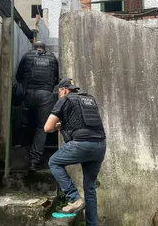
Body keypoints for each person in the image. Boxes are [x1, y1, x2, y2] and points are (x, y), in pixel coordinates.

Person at [44, 78, 106, 226]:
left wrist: (57, 126)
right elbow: (84, 122)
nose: (60, 95)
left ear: (64, 90)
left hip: (81, 145)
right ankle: (92, 224)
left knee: (54, 162)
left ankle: (74, 198)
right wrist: (63, 124)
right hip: (100, 145)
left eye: (60, 92)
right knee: (90, 188)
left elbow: (47, 128)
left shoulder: (64, 100)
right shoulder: (89, 99)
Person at [16, 41, 59, 172]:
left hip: (28, 94)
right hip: (46, 95)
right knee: (42, 127)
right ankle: (34, 162)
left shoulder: (27, 56)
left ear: (33, 48)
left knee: (31, 119)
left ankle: (25, 143)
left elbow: (18, 76)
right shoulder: (52, 58)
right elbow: (57, 79)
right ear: (44, 49)